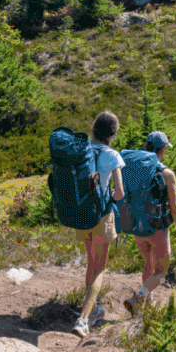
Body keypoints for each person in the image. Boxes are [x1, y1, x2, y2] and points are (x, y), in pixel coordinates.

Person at [121, 132, 176, 321]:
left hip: (136, 225)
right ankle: (139, 297)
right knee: (161, 271)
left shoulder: (134, 168)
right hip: (157, 228)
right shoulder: (167, 174)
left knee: (148, 265)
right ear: (164, 149)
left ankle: (147, 304)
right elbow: (174, 206)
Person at [73, 111, 127, 338]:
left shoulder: (82, 151)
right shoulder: (111, 155)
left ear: (94, 128)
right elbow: (120, 193)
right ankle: (84, 319)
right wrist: (111, 195)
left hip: (82, 215)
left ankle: (92, 307)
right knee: (100, 268)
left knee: (90, 264)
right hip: (102, 217)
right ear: (112, 134)